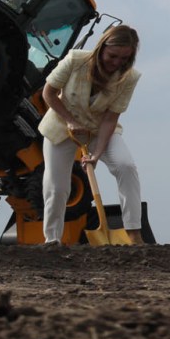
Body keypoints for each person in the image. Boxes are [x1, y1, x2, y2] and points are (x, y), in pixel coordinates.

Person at [39, 24, 142, 244]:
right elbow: (48, 93)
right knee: (57, 186)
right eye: (113, 56)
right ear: (102, 46)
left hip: (98, 128)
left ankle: (133, 232)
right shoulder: (76, 60)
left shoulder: (129, 78)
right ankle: (52, 239)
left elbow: (110, 118)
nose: (116, 63)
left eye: (124, 58)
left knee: (125, 166)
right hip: (61, 125)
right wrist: (70, 120)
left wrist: (95, 154)